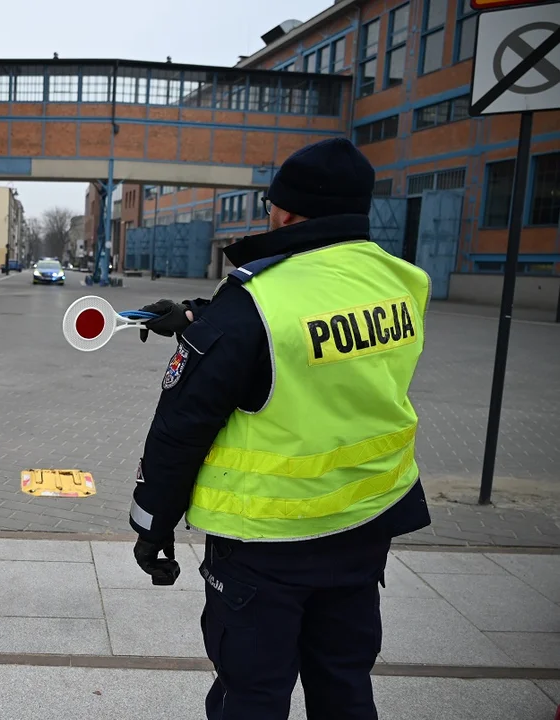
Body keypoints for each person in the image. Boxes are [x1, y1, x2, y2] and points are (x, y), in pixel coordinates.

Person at [129, 137, 432, 720]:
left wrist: (152, 523)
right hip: (365, 523)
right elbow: (313, 337)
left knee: (253, 695)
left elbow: (181, 427)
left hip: (266, 544)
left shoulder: (256, 301)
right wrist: (201, 315)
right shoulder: (400, 283)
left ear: (288, 212)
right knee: (344, 684)